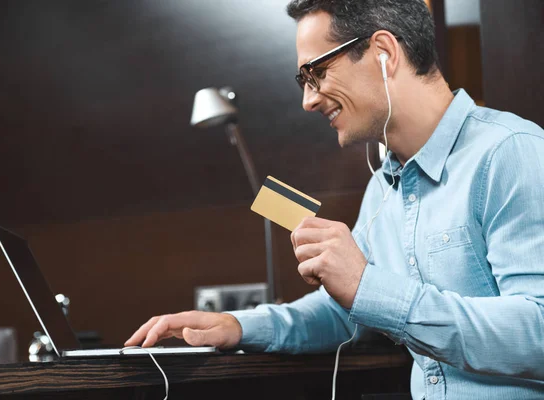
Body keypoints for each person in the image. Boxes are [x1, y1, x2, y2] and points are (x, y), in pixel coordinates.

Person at [126, 0, 544, 398]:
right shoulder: (383, 187)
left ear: (383, 52)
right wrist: (237, 325)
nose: (308, 100)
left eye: (317, 73)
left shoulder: (511, 152)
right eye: (303, 80)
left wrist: (368, 286)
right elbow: (347, 311)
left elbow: (538, 333)